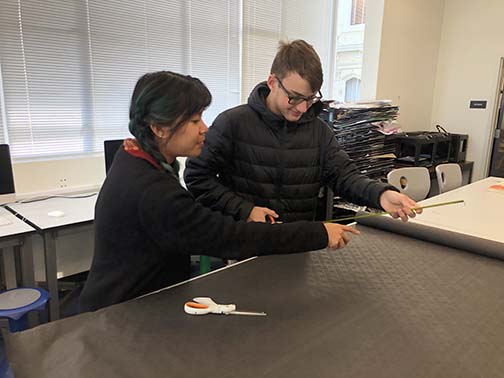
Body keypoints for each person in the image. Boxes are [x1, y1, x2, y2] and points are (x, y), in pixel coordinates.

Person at [79, 71, 360, 313]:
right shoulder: (152, 191)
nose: (205, 128)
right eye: (194, 120)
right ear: (159, 127)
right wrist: (319, 233)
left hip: (135, 301)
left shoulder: (132, 155)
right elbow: (231, 236)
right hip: (120, 314)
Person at [184, 39, 420, 225]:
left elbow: (345, 177)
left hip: (297, 246)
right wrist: (245, 210)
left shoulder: (319, 132)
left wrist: (381, 195)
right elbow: (197, 177)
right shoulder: (232, 123)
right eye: (294, 98)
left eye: (309, 98)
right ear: (273, 82)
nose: (302, 108)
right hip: (245, 246)